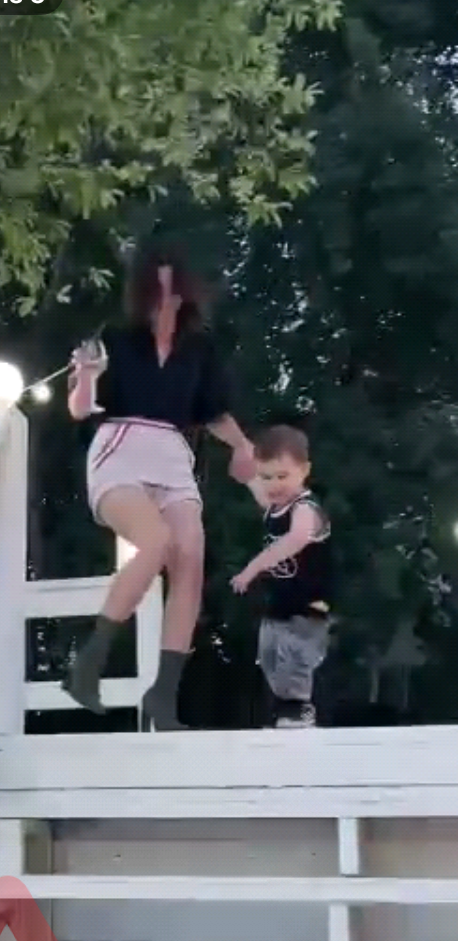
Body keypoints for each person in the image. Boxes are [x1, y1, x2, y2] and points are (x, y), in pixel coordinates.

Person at [64, 245, 256, 728]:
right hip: (121, 448)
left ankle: (164, 694)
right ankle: (89, 662)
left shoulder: (199, 347)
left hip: (173, 456)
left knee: (190, 557)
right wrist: (85, 375)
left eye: (174, 291)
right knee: (155, 543)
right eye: (158, 290)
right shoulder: (115, 337)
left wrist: (243, 446)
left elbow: (212, 411)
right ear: (143, 293)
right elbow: (80, 408)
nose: (166, 300)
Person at [231, 424, 332, 728]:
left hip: (309, 605)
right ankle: (287, 708)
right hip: (279, 603)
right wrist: (244, 465)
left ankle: (299, 708)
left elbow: (295, 540)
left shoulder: (306, 509)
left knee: (295, 654)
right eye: (267, 477)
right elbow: (253, 482)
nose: (274, 486)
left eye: (282, 477)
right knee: (270, 656)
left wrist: (253, 568)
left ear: (304, 471)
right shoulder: (274, 506)